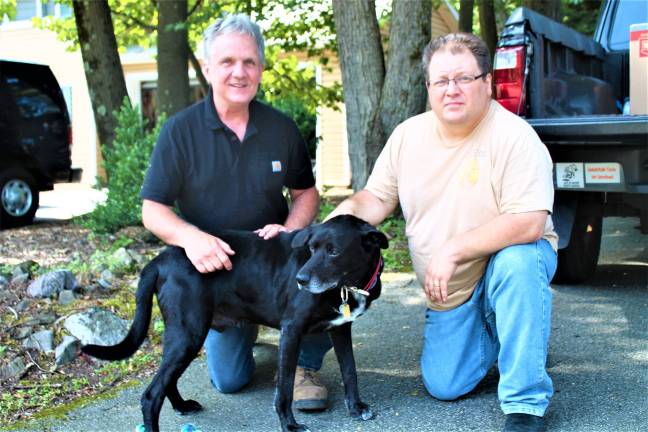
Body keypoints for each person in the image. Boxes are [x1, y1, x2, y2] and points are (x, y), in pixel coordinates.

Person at [328, 33, 558, 432]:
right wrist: (331, 227)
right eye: (441, 81)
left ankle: (525, 402)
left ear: (486, 82)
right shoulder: (408, 136)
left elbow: (528, 222)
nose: (452, 90)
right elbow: (376, 200)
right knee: (445, 385)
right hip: (453, 294)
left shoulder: (516, 138)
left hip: (506, 266)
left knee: (520, 260)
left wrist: (453, 250)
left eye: (463, 79)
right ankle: (512, 336)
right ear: (429, 88)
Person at [140, 13, 332, 411]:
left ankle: (303, 365)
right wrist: (191, 239)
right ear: (208, 68)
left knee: (324, 279)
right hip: (217, 274)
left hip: (277, 263)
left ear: (261, 67)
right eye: (227, 62)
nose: (239, 72)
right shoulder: (180, 131)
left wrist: (290, 232)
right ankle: (253, 335)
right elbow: (153, 209)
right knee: (230, 381)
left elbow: (306, 194)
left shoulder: (281, 128)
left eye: (249, 62)